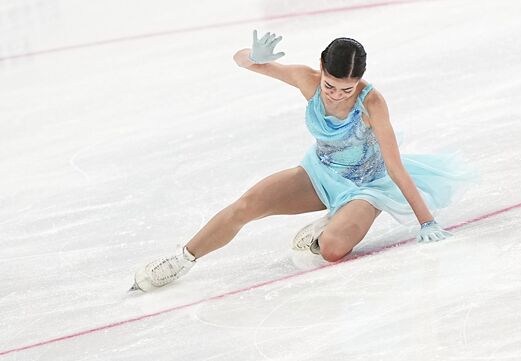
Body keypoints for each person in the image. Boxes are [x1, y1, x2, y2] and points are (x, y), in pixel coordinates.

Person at [130, 30, 466, 292]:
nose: (337, 94)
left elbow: (394, 166)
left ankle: (325, 230)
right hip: (320, 173)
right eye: (331, 86)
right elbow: (241, 60)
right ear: (321, 67)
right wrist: (252, 57)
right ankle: (181, 259)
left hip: (367, 185)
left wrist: (426, 222)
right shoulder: (306, 79)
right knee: (247, 205)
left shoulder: (372, 102)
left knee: (333, 248)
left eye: (347, 90)